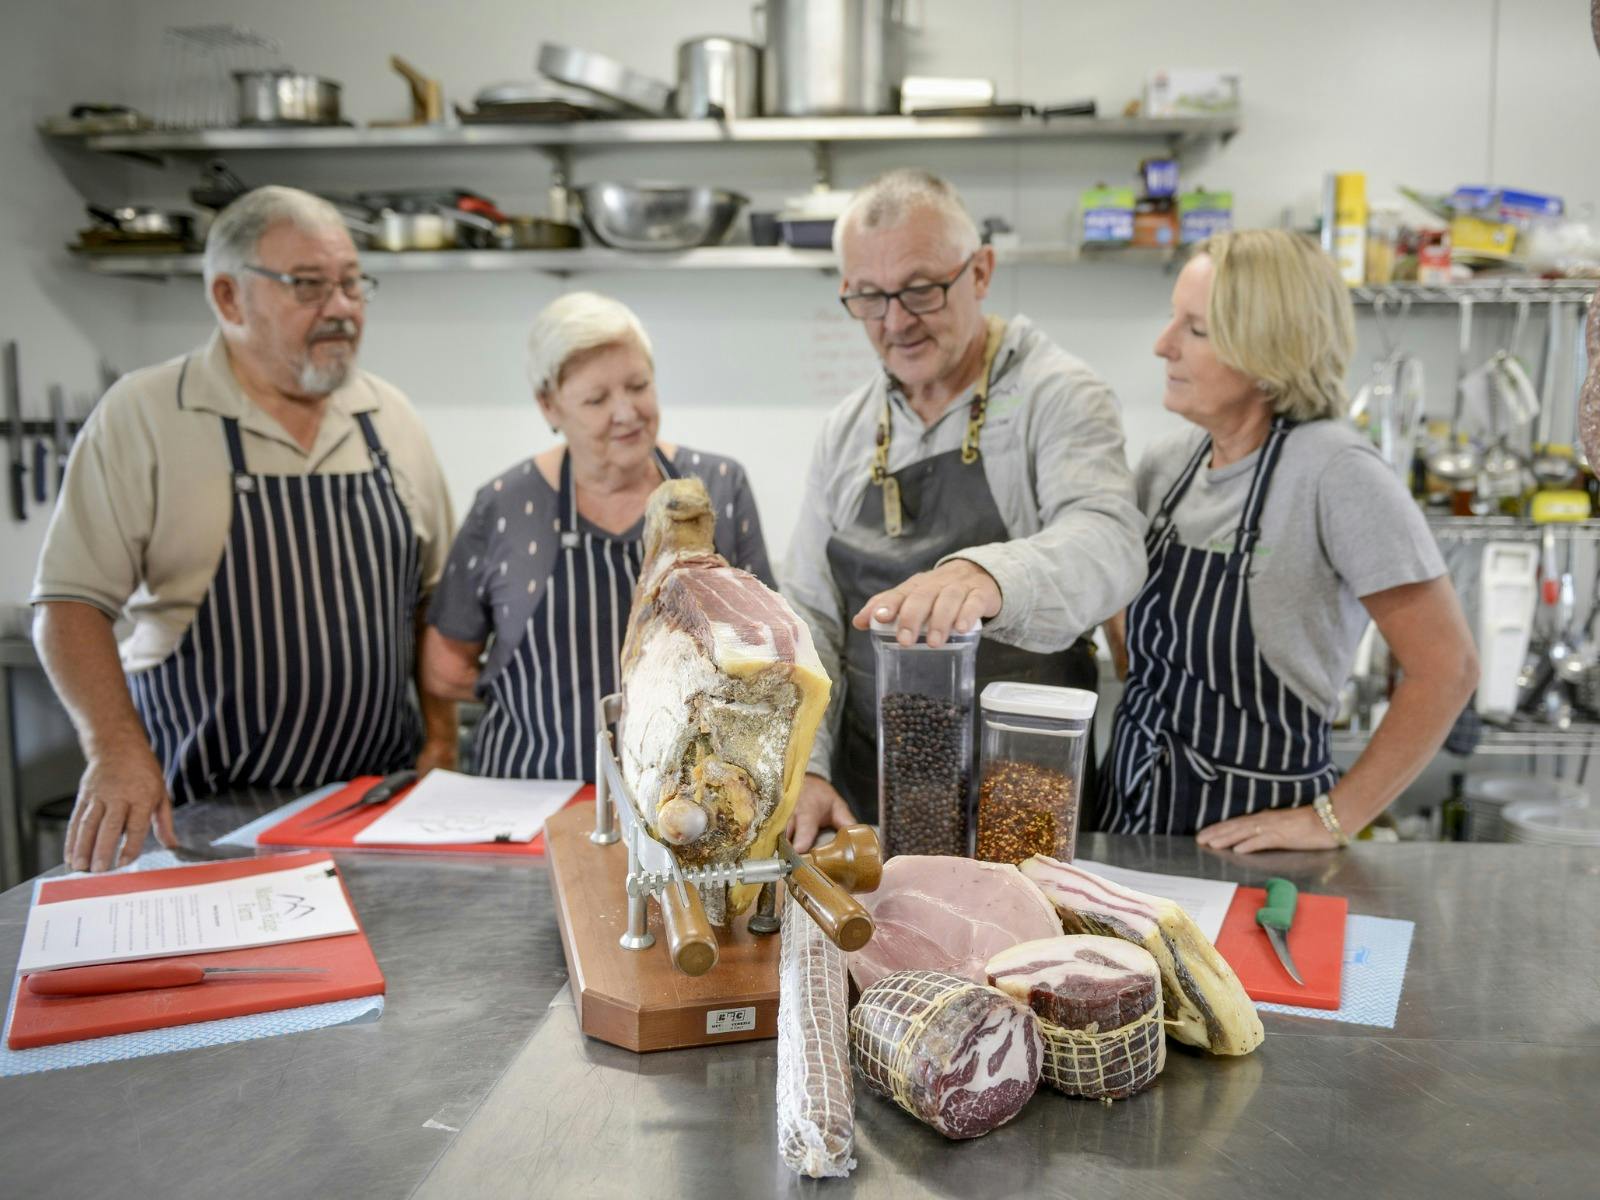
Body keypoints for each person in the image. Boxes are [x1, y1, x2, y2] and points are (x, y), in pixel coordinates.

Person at [33, 185, 457, 871]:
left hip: (378, 816)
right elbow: (68, 605)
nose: (342, 308)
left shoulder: (390, 417)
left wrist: (441, 738)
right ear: (228, 298)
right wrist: (114, 749)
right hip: (199, 824)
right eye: (309, 285)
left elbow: (433, 601)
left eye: (352, 284)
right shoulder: (145, 415)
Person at [783, 169, 1146, 851]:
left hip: (1027, 805)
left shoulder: (1059, 396)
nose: (896, 322)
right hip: (871, 806)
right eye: (869, 297)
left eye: (920, 289)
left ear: (980, 272)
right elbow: (810, 614)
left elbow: (1109, 540)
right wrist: (806, 767)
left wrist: (987, 576)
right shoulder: (846, 431)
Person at [1098, 229, 1479, 850]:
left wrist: (1333, 818)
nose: (1163, 345)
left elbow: (1448, 669)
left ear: (1268, 350)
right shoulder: (1169, 464)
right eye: (1173, 319)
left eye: (1196, 330)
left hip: (1255, 836)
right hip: (1133, 810)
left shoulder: (1338, 472)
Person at [421, 292, 772, 780]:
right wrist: (537, 702)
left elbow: (767, 650)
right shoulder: (505, 505)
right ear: (549, 406)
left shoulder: (718, 488)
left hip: (688, 798)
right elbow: (444, 667)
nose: (626, 412)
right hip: (532, 789)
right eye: (597, 399)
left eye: (638, 386)